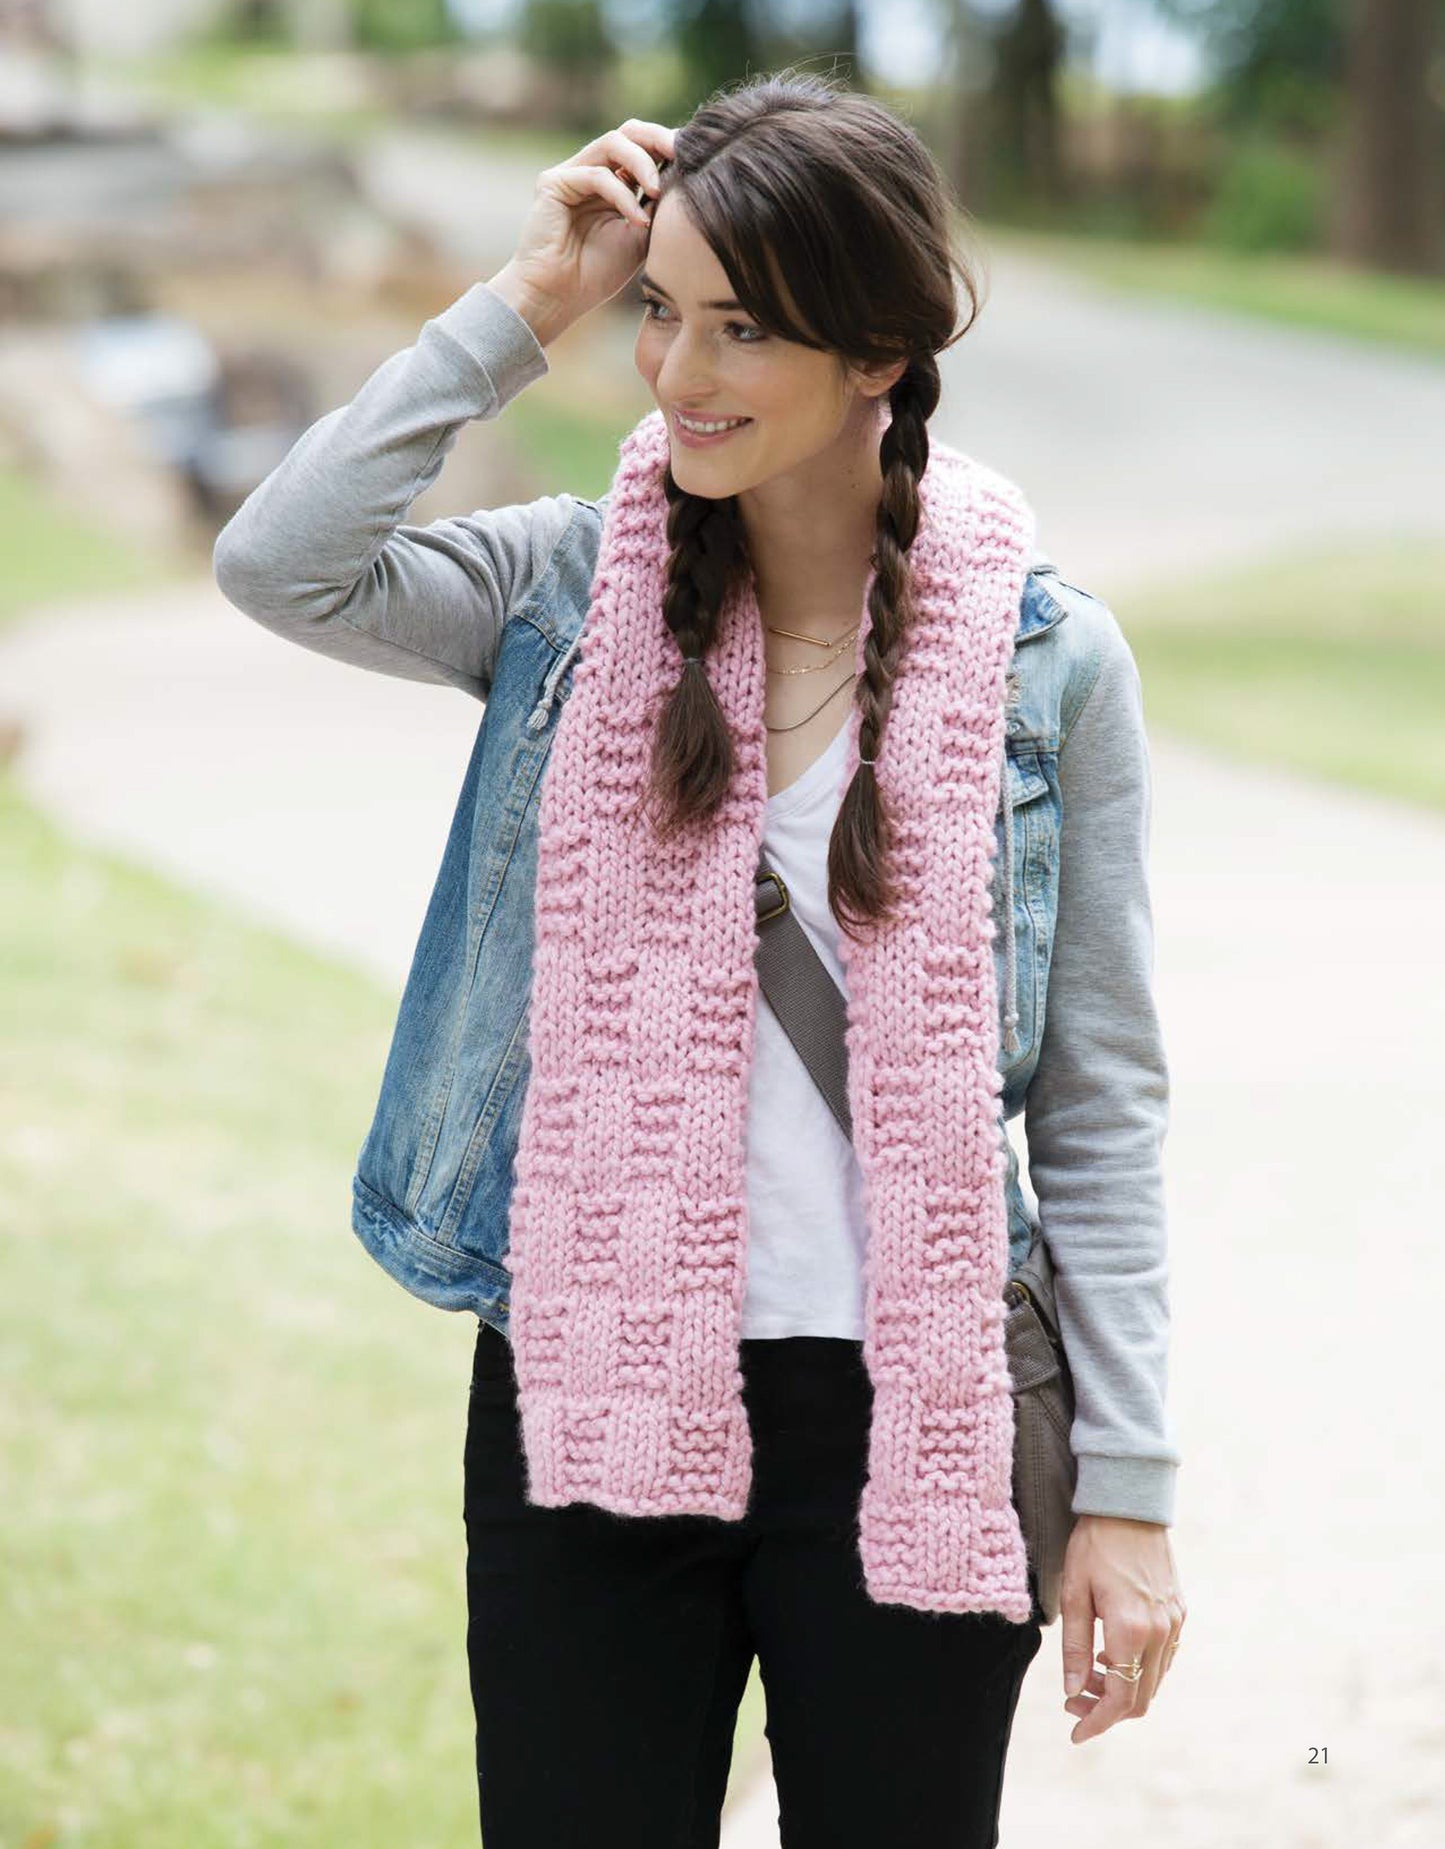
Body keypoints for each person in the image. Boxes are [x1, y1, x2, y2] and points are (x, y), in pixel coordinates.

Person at [214, 68, 1186, 1849]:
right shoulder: (568, 592)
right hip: (588, 1384)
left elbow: (1099, 1106)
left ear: (875, 354)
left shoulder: (1050, 665)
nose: (675, 374)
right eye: (661, 314)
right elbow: (283, 564)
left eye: (741, 329)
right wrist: (523, 308)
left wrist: (1124, 1490)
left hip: (919, 1408)